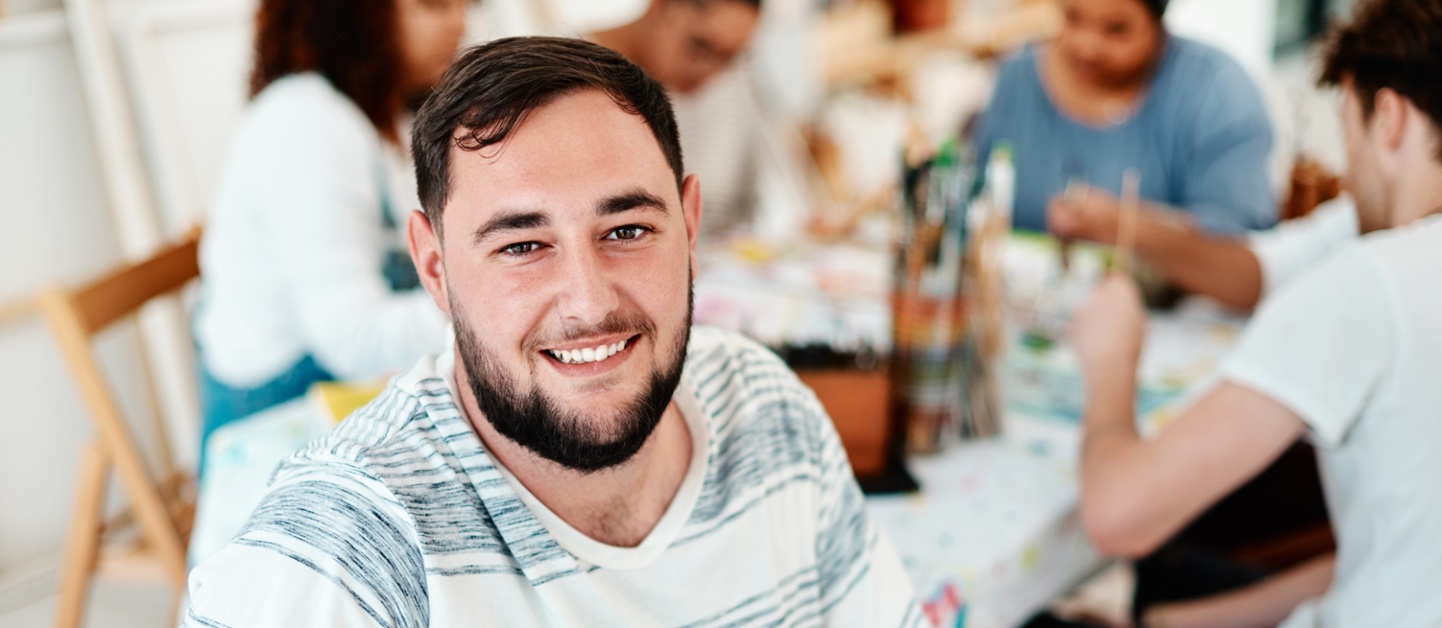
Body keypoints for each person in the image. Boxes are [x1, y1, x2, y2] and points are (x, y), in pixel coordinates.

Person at [182, 37, 925, 626]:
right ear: (435, 269)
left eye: (627, 229)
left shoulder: (769, 409)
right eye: (522, 246)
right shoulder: (347, 553)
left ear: (690, 227)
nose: (588, 301)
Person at [1068, 0, 1442, 625]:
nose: (1350, 171)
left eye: (1347, 134)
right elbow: (1401, 557)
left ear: (1388, 118)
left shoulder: (1374, 280)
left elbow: (1118, 514)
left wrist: (1110, 360)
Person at [193, 0, 466, 452]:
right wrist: (483, 304)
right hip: (279, 414)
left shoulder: (381, 112)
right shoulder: (304, 125)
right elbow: (353, 342)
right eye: (434, 4)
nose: (459, 21)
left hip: (339, 381)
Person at [972, 0, 1277, 235]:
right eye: (1073, 17)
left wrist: (1129, 227)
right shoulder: (1017, 79)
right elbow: (978, 200)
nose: (1087, 47)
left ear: (1158, 21)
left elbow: (1242, 245)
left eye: (1116, 29)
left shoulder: (1215, 91)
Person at [590, 0, 771, 239]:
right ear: (660, 6)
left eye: (729, 58)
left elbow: (744, 213)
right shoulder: (562, 83)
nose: (709, 72)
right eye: (699, 46)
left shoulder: (729, 90)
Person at [1049, 193, 1358, 309]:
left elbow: (1234, 222)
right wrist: (1121, 223)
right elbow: (1268, 269)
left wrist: (1110, 365)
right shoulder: (1350, 221)